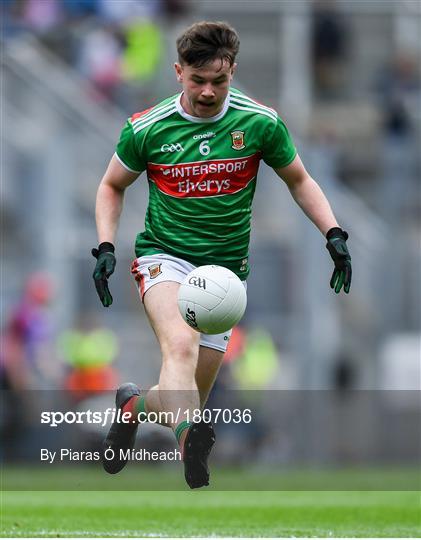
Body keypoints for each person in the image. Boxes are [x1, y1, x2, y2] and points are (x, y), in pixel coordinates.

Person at [92, 21, 352, 489]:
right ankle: (190, 440)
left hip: (225, 277)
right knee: (180, 348)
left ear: (233, 71)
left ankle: (133, 406)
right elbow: (112, 185)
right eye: (198, 80)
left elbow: (300, 180)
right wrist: (106, 246)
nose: (209, 91)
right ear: (178, 73)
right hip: (163, 258)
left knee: (187, 392)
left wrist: (333, 232)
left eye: (220, 80)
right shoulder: (146, 128)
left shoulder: (259, 122)